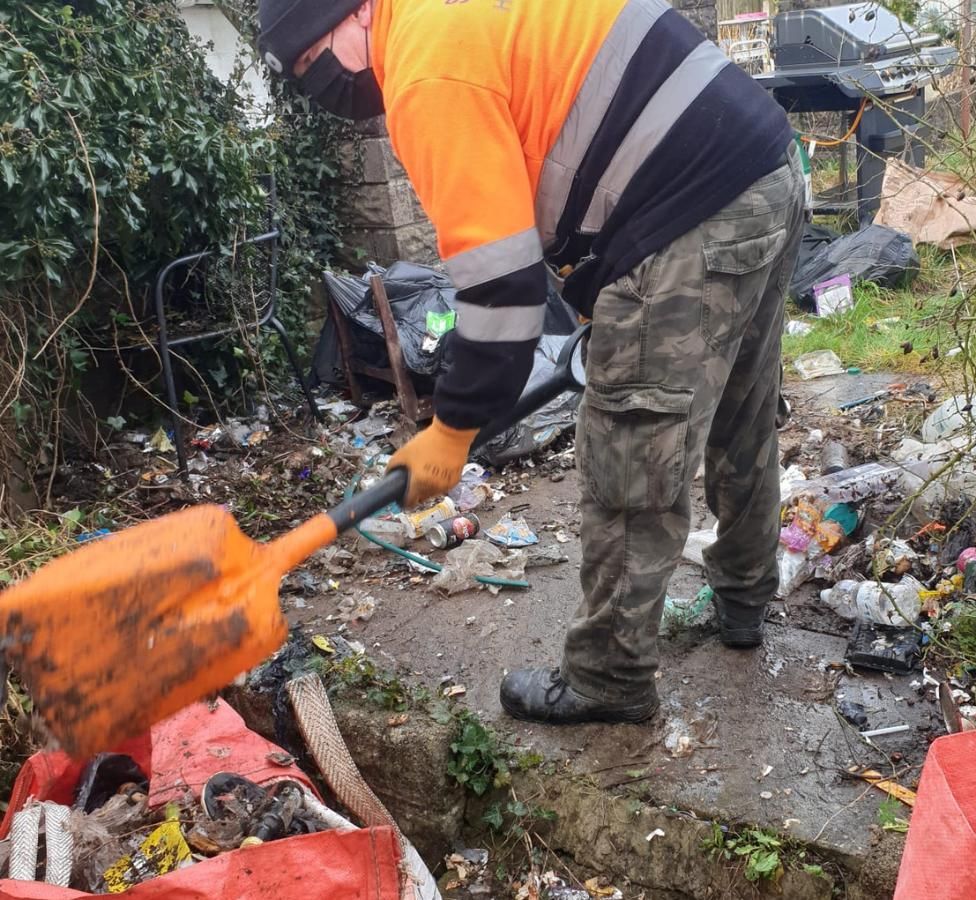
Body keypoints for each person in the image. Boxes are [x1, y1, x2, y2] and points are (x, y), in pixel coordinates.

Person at [257, 0, 805, 725]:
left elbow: (503, 293)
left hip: (693, 204)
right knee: (740, 410)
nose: (320, 81)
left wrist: (452, 432)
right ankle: (742, 599)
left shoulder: (423, 64)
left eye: (313, 56)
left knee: (630, 442)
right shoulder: (449, 17)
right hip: (762, 166)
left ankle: (609, 677)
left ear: (354, 11)